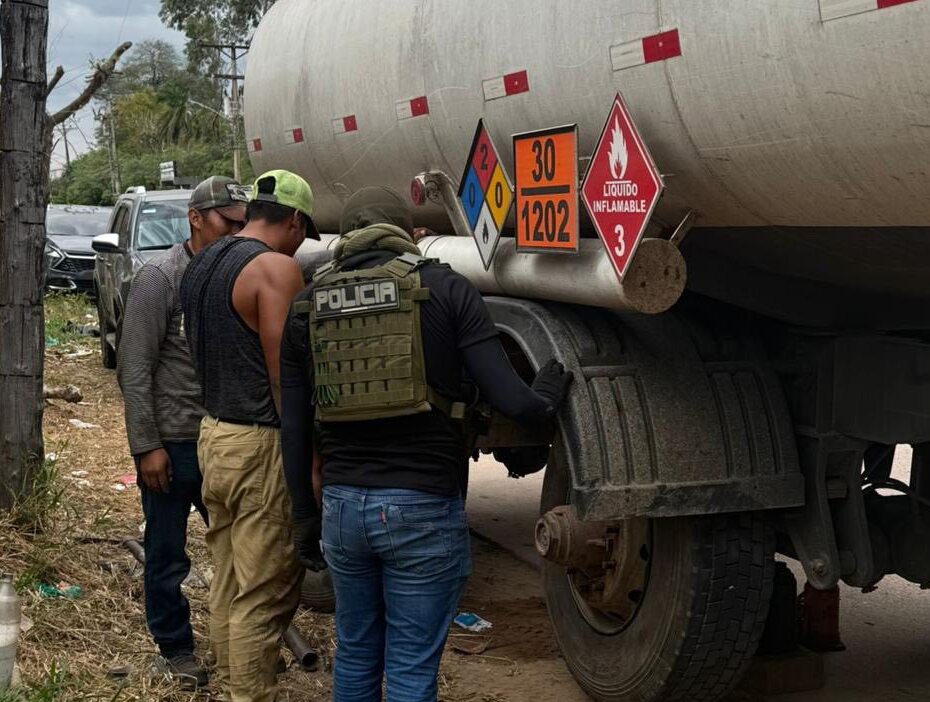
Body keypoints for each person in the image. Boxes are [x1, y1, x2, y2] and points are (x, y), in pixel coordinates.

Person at [279, 186, 573, 701]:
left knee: (355, 649)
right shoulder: (448, 289)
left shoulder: (307, 305)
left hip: (344, 510)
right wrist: (548, 389)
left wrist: (305, 518)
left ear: (346, 238)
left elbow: (296, 428)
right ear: (410, 234)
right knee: (412, 666)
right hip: (422, 505)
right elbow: (514, 401)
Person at [179, 169, 319, 702]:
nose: (302, 241)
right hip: (261, 444)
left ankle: (231, 682)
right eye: (303, 231)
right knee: (264, 592)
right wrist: (306, 458)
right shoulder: (275, 269)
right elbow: (285, 376)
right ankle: (249, 694)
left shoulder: (203, 263)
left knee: (230, 579)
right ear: (294, 220)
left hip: (213, 434)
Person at [116, 175, 248, 690]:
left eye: (243, 225)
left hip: (224, 438)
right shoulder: (160, 278)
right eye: (227, 224)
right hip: (172, 442)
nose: (236, 234)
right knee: (169, 553)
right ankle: (176, 648)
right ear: (196, 218)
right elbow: (134, 366)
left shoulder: (235, 274)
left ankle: (236, 646)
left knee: (237, 548)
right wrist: (146, 445)